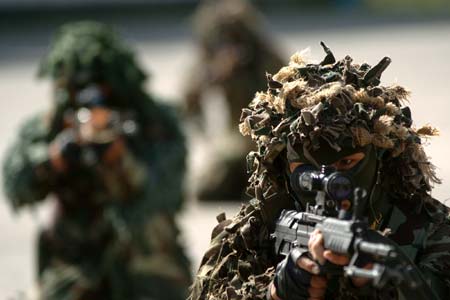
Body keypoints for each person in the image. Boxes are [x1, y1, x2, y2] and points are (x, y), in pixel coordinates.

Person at [189, 44, 450, 299]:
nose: (328, 181)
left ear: (381, 159)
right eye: (305, 170)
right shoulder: (250, 235)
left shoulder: (430, 229)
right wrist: (274, 291)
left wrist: (396, 277)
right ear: (283, 167)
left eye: (347, 164)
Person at [2, 21, 191, 300]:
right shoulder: (54, 125)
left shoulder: (151, 123)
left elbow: (165, 192)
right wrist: (55, 158)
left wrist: (118, 157)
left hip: (146, 262)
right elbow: (16, 184)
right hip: (75, 262)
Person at [183, 0, 284, 200]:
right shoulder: (213, 63)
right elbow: (190, 98)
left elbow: (289, 83)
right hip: (234, 142)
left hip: (267, 143)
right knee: (208, 189)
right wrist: (215, 73)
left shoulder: (264, 59)